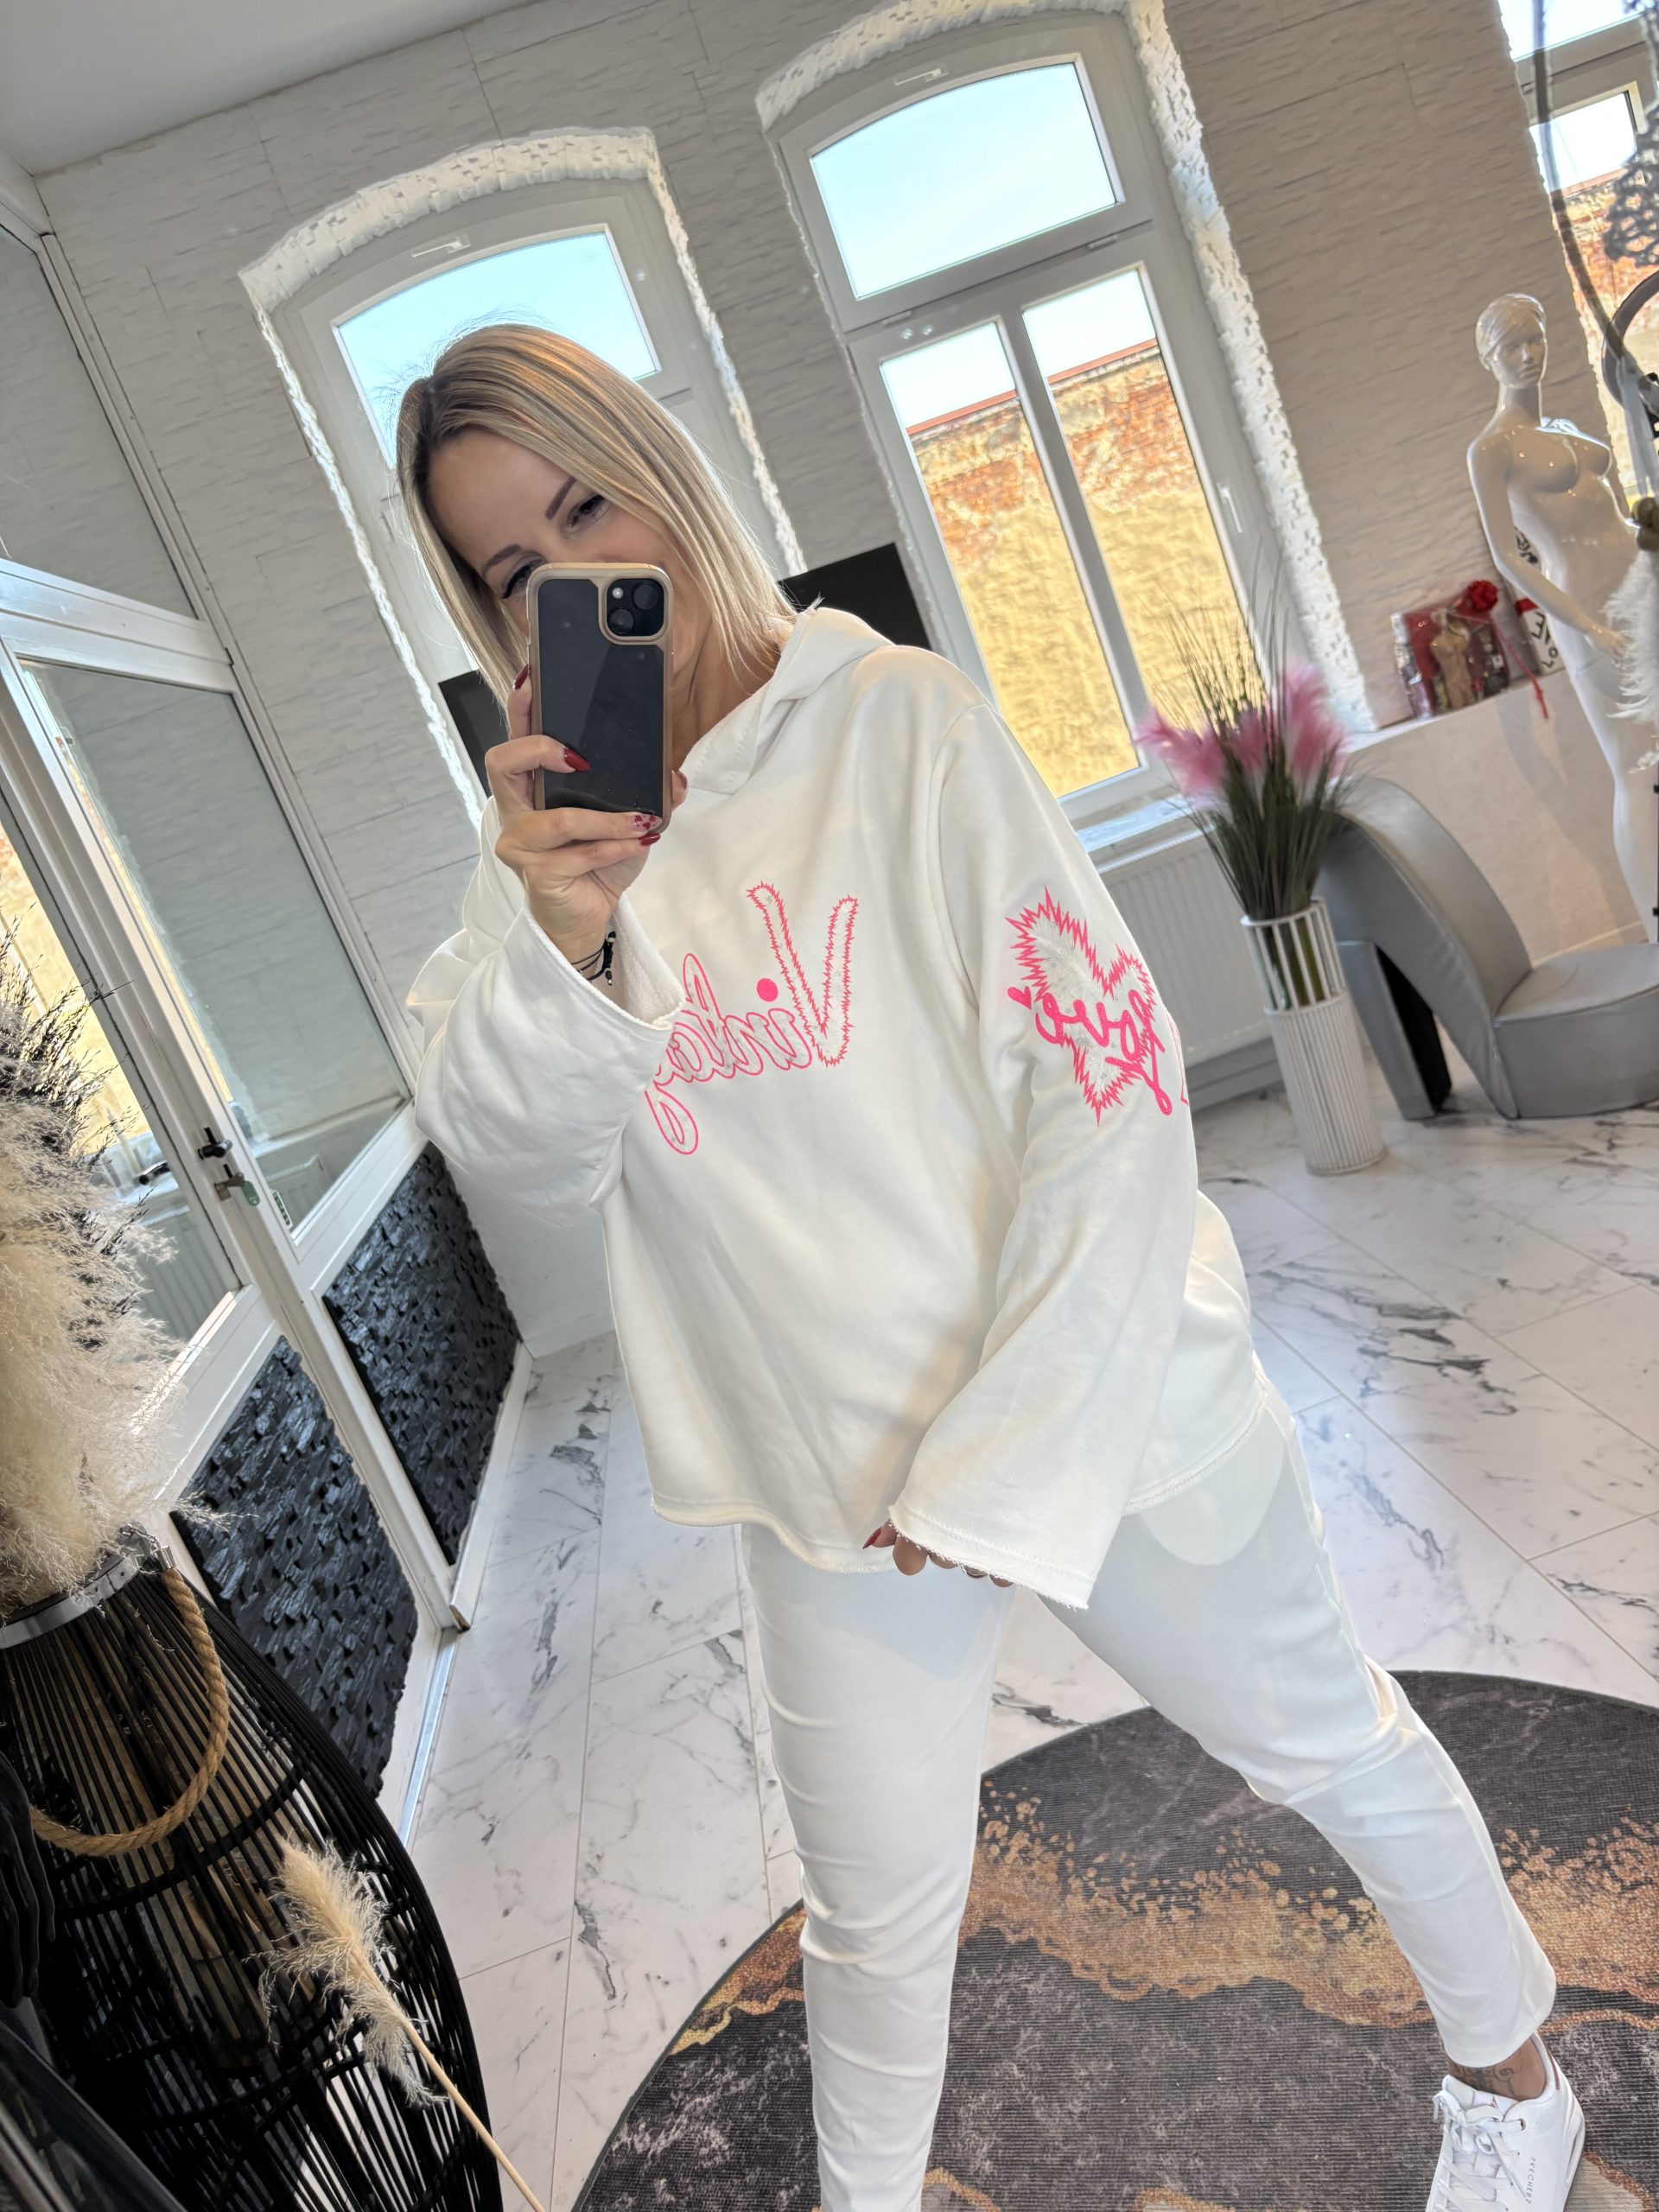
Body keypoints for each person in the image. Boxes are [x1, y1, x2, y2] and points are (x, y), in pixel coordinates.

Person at [398, 324, 1582, 2212]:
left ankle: (1519, 2082)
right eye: (517, 566)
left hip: (1105, 1401)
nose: (578, 576)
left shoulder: (901, 727)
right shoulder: (544, 844)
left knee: (1327, 1745)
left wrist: (995, 1459)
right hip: (825, 1486)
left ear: (665, 475)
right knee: (875, 1921)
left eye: (590, 502)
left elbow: (1107, 1096)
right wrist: (565, 937)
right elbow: (520, 1152)